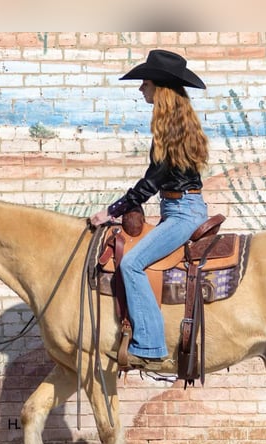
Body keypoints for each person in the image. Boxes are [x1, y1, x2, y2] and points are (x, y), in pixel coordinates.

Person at [90, 49, 209, 369]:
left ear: (159, 87)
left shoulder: (169, 130)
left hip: (183, 212)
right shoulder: (177, 124)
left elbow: (150, 182)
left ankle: (151, 346)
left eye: (145, 81)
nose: (141, 87)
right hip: (181, 208)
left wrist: (111, 211)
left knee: (131, 263)